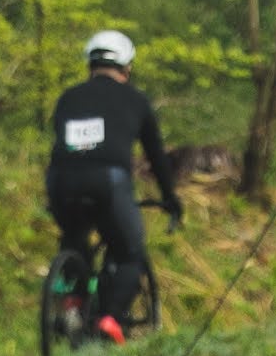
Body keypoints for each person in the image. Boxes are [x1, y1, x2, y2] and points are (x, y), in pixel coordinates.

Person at [45, 28, 183, 339]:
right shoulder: (136, 100)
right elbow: (157, 157)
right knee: (129, 251)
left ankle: (71, 302)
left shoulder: (68, 97)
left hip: (60, 182)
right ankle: (110, 319)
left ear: (90, 65)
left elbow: (63, 145)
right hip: (108, 182)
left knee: (73, 236)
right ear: (127, 67)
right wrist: (170, 197)